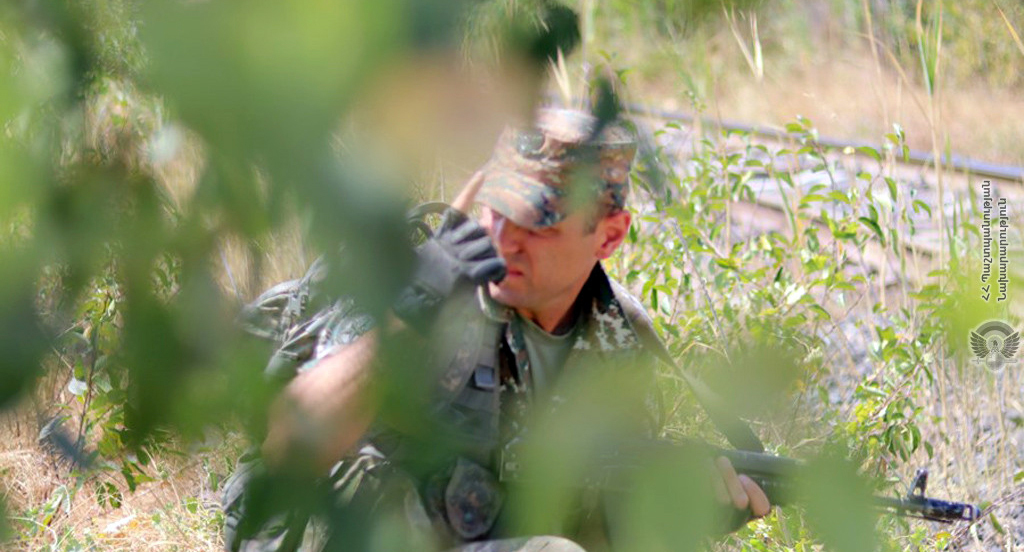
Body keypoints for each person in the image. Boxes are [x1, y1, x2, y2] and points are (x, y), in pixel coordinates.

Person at [245, 107, 770, 552]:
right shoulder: (421, 285)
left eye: (539, 222)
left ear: (609, 237)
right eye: (497, 211)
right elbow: (287, 446)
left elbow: (597, 507)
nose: (505, 239)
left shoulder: (618, 335)